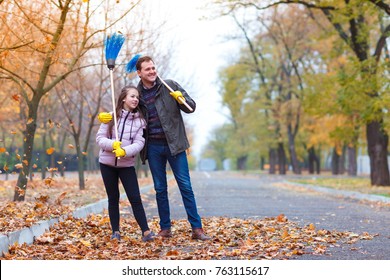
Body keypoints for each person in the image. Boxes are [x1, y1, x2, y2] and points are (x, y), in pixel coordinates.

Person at [135, 55, 211, 240]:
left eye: (153, 68)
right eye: (148, 69)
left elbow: (191, 107)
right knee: (160, 188)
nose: (152, 71)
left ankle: (197, 228)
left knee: (185, 186)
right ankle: (165, 228)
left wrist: (180, 98)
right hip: (153, 147)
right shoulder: (137, 94)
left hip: (174, 145)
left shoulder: (170, 85)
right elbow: (126, 114)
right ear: (139, 73)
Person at [96, 85, 155, 242]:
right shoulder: (110, 117)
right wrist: (112, 145)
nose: (135, 99)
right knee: (113, 197)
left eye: (137, 97)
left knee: (135, 197)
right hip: (107, 163)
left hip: (126, 165)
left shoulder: (140, 122)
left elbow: (139, 143)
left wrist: (125, 151)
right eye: (132, 96)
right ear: (124, 98)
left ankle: (146, 231)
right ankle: (115, 231)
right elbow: (100, 138)